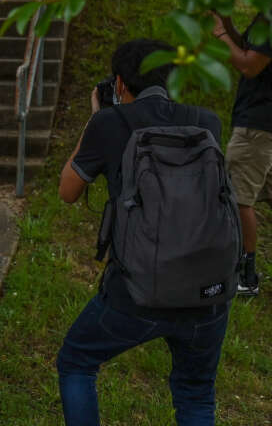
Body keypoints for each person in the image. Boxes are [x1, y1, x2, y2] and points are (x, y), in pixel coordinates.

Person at [56, 40, 231, 425]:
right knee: (196, 391)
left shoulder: (109, 123)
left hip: (136, 293)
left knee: (76, 362)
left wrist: (95, 119)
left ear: (119, 82)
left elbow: (68, 192)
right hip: (208, 291)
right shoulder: (208, 122)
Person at [212, 12, 271, 296]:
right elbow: (250, 50)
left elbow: (249, 65)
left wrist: (220, 34)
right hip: (262, 123)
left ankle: (245, 277)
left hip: (257, 127)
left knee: (238, 198)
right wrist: (228, 25)